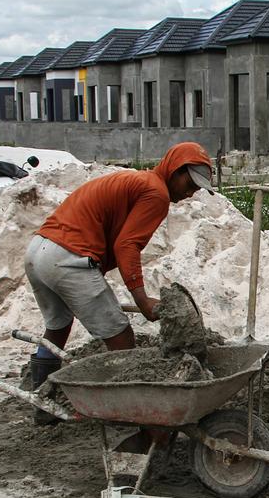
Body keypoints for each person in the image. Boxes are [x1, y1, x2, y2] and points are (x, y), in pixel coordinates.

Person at [23, 142, 214, 421]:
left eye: (197, 188)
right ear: (175, 169)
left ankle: (42, 405)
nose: (190, 192)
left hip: (39, 251)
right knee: (121, 337)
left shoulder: (138, 180)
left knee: (58, 326)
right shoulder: (156, 192)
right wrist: (142, 300)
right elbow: (127, 245)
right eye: (190, 182)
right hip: (68, 257)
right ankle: (129, 414)